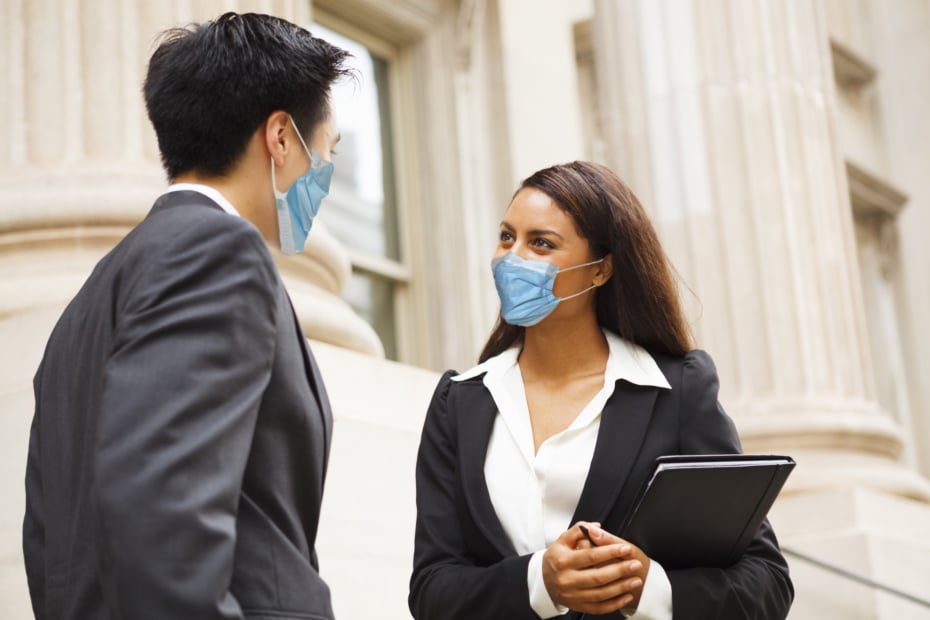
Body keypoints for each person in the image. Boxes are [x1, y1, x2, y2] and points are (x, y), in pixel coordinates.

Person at [23, 13, 352, 619]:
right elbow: (162, 512)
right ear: (281, 137)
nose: (324, 181)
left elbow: (49, 547)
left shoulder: (84, 309)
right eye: (326, 155)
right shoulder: (220, 254)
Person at [409, 161, 793, 619]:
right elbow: (432, 591)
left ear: (600, 270)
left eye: (541, 243)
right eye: (507, 237)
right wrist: (541, 583)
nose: (512, 259)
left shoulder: (676, 391)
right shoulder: (459, 402)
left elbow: (767, 582)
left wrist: (647, 590)